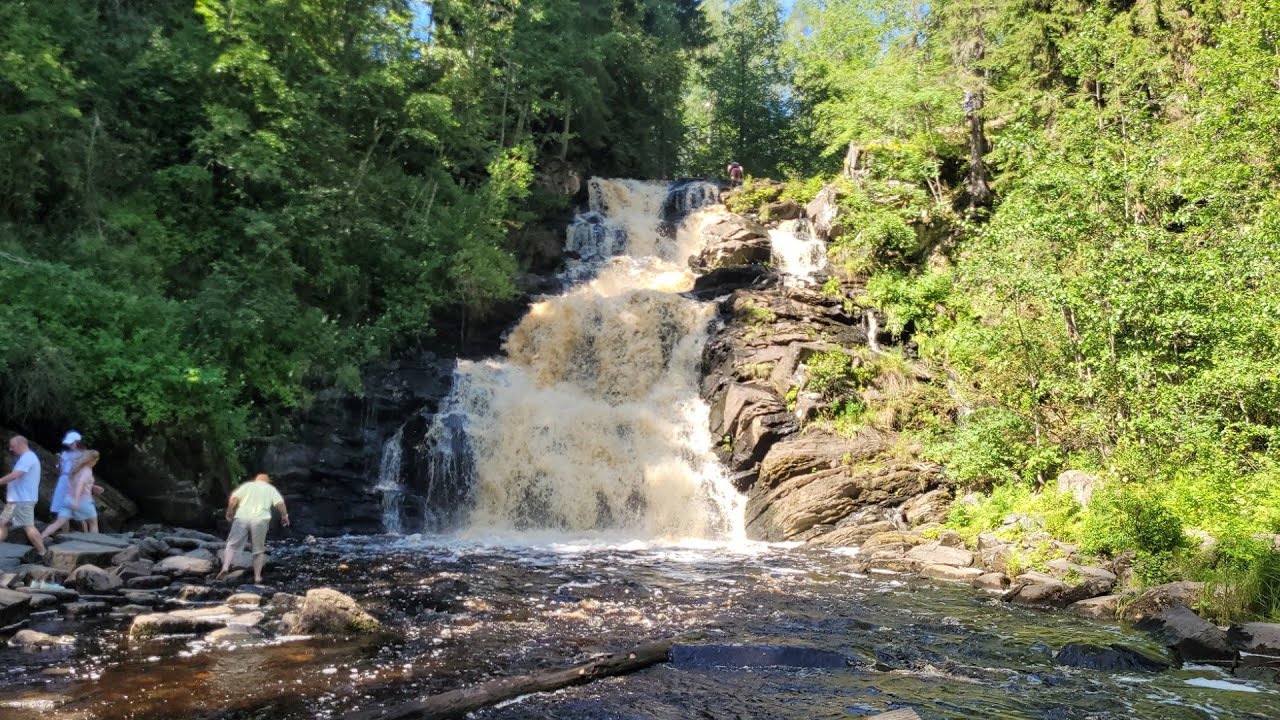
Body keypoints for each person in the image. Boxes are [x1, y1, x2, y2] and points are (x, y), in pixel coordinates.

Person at [218, 473, 289, 584]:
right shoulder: (270, 489)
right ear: (267, 481)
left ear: (256, 480)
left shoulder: (247, 486)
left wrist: (229, 510)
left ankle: (225, 567)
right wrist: (284, 516)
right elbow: (280, 503)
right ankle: (257, 577)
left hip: (242, 518)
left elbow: (233, 498)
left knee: (231, 544)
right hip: (260, 520)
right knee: (258, 550)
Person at [0, 436, 47, 555]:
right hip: (16, 500)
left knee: (28, 526)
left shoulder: (28, 457)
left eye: (12, 446)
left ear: (21, 444)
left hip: (22, 499)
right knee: (2, 523)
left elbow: (15, 475)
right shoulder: (26, 457)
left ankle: (43, 553)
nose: (10, 449)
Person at [43, 430, 86, 538]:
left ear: (77, 442)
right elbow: (61, 470)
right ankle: (65, 533)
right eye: (69, 444)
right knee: (62, 507)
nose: (70, 445)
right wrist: (59, 461)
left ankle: (87, 533)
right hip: (63, 480)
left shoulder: (82, 455)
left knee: (76, 508)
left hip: (74, 480)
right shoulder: (65, 454)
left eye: (72, 443)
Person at [64, 450, 100, 534]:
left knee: (63, 519)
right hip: (84, 501)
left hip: (70, 498)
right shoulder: (87, 471)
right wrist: (76, 500)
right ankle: (94, 541)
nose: (96, 463)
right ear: (91, 460)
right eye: (96, 461)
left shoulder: (78, 470)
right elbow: (80, 483)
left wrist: (93, 486)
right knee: (93, 523)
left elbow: (76, 483)